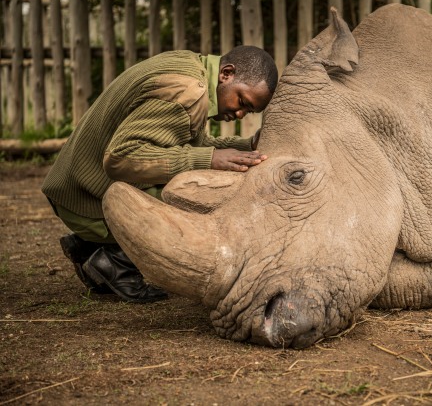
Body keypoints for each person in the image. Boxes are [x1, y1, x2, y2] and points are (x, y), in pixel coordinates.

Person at [41, 46, 278, 303]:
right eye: (242, 101)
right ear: (226, 74)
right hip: (85, 199)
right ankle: (114, 259)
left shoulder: (190, 67)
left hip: (74, 186)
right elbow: (121, 158)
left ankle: (91, 245)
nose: (240, 113)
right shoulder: (188, 92)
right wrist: (209, 159)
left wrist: (247, 146)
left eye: (249, 111)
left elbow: (189, 145)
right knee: (203, 198)